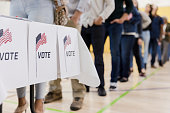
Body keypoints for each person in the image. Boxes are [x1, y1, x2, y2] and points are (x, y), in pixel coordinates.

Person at [44, 0, 90, 111]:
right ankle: (55, 90)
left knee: (73, 58)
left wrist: (76, 16)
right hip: (52, 19)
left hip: (70, 18)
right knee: (54, 58)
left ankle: (78, 94)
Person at [10, 0, 54, 113]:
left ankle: (39, 102)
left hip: (41, 3)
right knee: (17, 52)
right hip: (16, 3)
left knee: (40, 52)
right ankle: (22, 100)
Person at [80, 0, 115, 96]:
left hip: (97, 25)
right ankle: (86, 84)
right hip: (83, 25)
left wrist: (101, 17)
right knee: (84, 58)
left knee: (98, 57)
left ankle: (100, 85)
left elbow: (111, 5)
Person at [104, 0, 133, 90]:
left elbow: (130, 6)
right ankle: (98, 81)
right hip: (102, 22)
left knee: (115, 52)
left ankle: (113, 81)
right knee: (98, 53)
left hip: (116, 24)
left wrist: (122, 19)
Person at [119, 1, 141, 82]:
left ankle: (125, 75)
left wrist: (130, 19)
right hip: (118, 33)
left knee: (125, 55)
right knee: (119, 55)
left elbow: (138, 19)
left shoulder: (132, 7)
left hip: (129, 33)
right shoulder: (118, 5)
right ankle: (119, 74)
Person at [129, 0, 146, 77]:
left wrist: (140, 37)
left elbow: (140, 28)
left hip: (136, 37)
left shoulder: (138, 15)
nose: (133, 4)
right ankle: (129, 68)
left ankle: (141, 69)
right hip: (129, 36)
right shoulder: (126, 13)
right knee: (128, 54)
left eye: (135, 3)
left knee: (138, 54)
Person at [141, 4, 152, 69]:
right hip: (140, 32)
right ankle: (141, 62)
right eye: (146, 6)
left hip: (147, 32)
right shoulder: (141, 14)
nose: (147, 8)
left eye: (148, 7)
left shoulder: (151, 16)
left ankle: (145, 63)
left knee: (146, 48)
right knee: (139, 48)